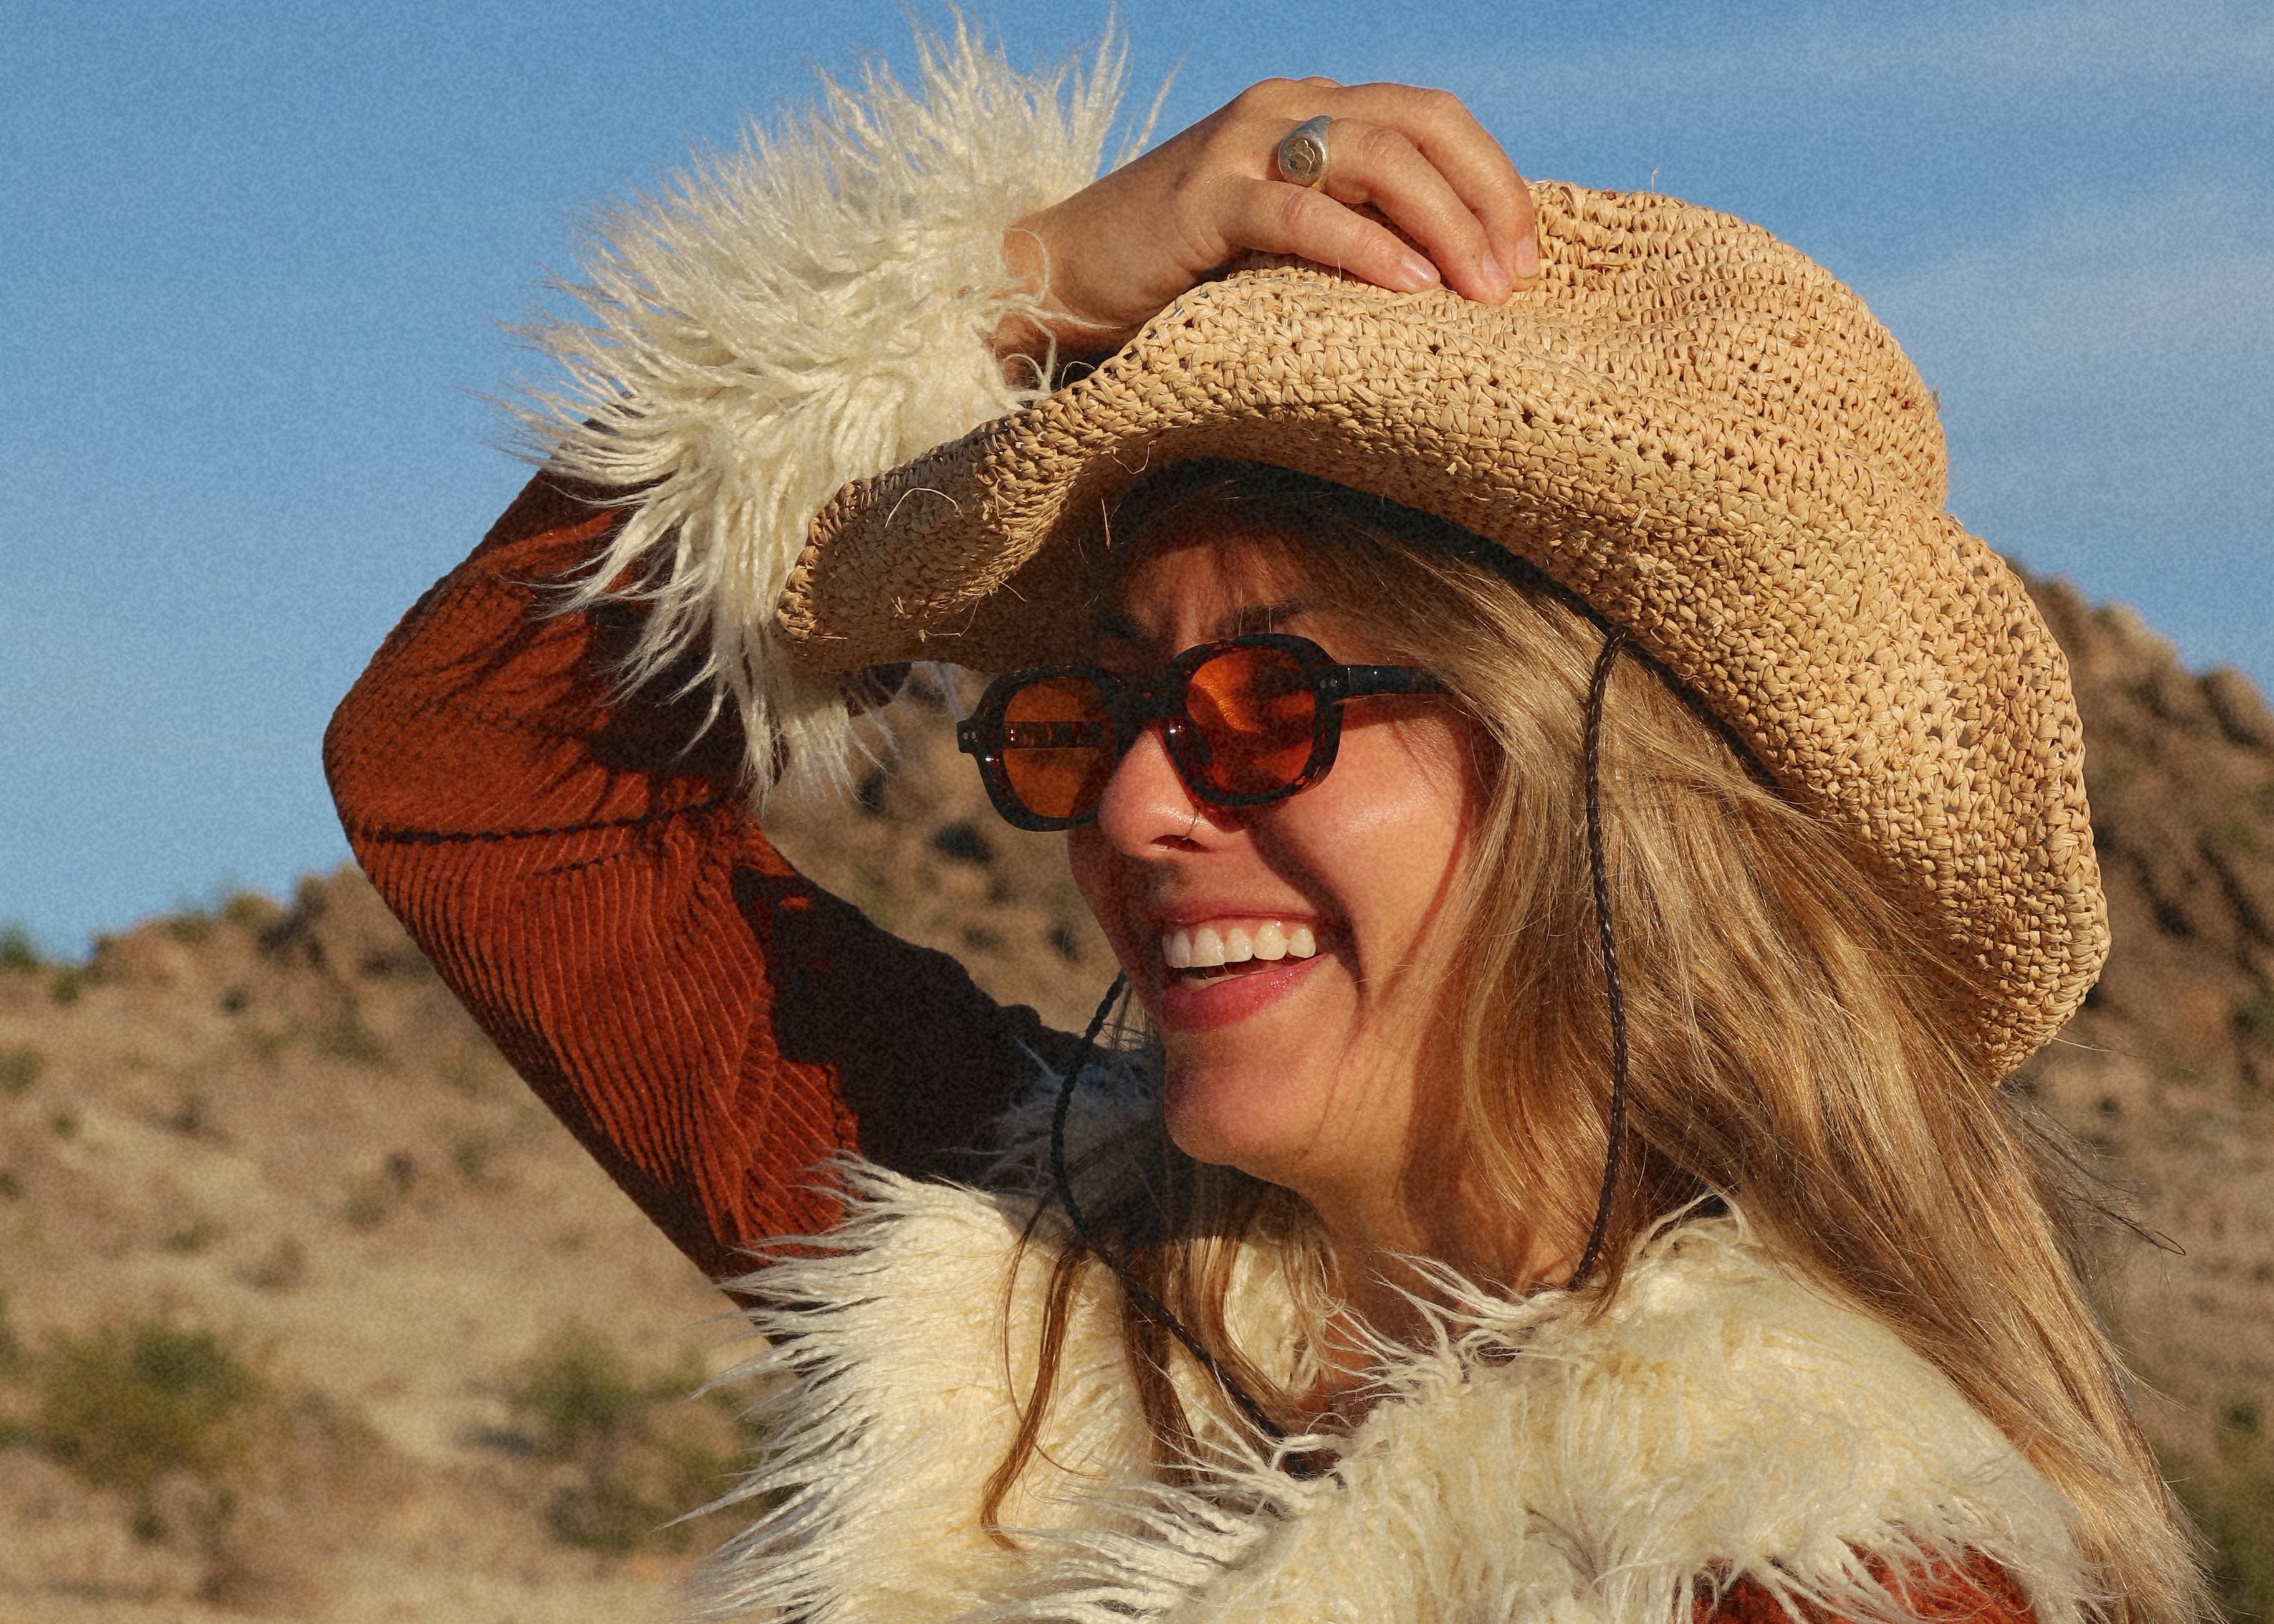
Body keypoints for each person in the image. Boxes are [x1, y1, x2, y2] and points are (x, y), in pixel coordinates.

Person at [325, 26, 2209, 1624]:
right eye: (1110, 708)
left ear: (1608, 791)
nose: (1137, 809)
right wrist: (1013, 283)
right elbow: (480, 778)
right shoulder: (1016, 1297)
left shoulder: (1812, 1565)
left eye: (1269, 707)